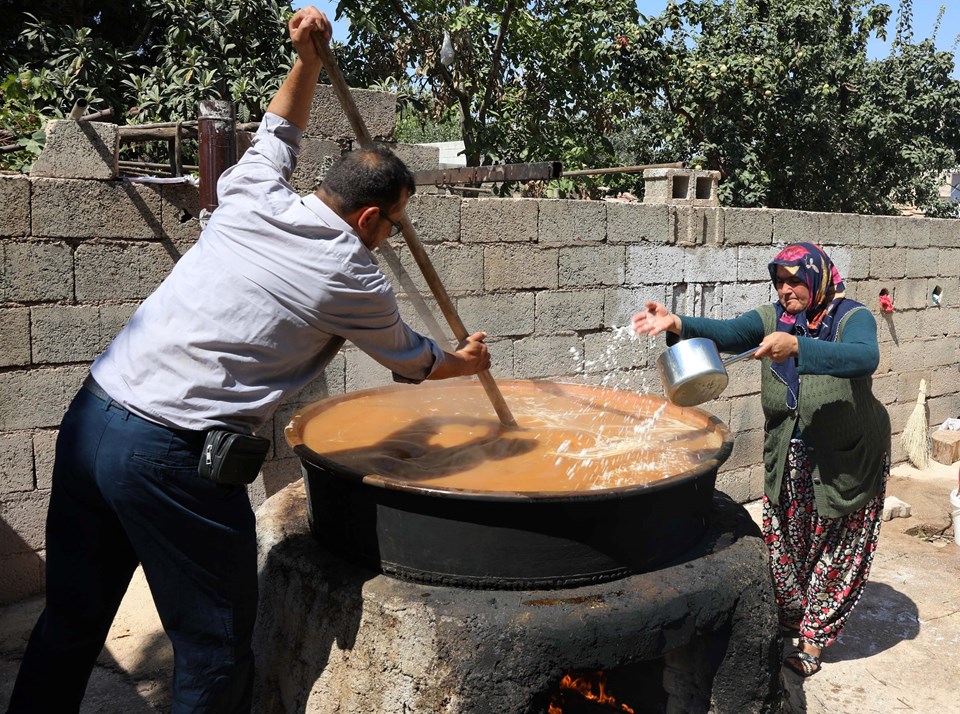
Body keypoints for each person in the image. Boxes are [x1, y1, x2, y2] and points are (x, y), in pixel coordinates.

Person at [6, 7, 490, 713]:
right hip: (171, 458)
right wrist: (467, 362)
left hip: (93, 418)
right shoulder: (351, 277)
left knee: (71, 621)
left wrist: (306, 60)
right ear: (368, 219)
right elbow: (414, 363)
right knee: (216, 650)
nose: (394, 236)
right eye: (397, 223)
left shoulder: (250, 192)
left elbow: (279, 129)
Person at [632, 242, 890, 678]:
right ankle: (792, 613)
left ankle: (813, 638)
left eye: (795, 280)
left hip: (847, 457)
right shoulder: (773, 318)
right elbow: (730, 331)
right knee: (788, 539)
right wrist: (677, 321)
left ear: (817, 277)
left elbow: (865, 358)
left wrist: (799, 348)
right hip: (790, 450)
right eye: (780, 280)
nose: (787, 289)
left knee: (837, 547)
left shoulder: (852, 316)